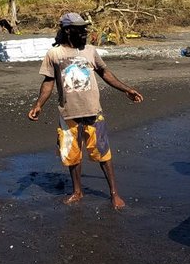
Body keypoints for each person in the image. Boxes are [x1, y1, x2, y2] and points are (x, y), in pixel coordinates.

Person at [27, 12, 143, 210]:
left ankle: (114, 193)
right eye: (80, 29)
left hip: (93, 111)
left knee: (103, 154)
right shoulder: (54, 54)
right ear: (67, 30)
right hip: (68, 113)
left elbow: (105, 73)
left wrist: (127, 89)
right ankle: (77, 191)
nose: (85, 32)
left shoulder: (90, 51)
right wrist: (38, 105)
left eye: (85, 29)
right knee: (73, 155)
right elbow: (48, 82)